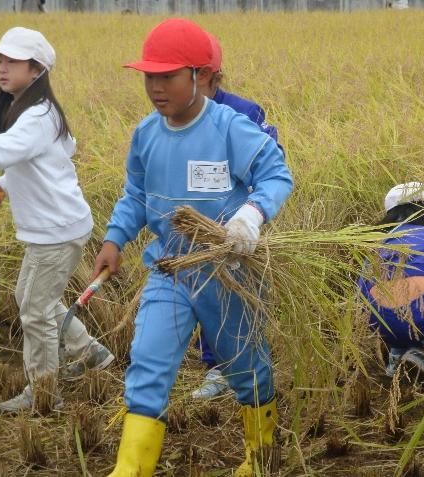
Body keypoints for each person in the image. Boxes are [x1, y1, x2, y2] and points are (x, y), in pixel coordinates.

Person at [91, 19, 293, 476]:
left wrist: (250, 217)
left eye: (168, 76)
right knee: (148, 364)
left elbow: (276, 174)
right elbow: (137, 195)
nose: (156, 87)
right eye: (150, 76)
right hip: (170, 269)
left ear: (199, 76)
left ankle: (259, 458)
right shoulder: (146, 134)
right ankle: (130, 470)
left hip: (226, 273)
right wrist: (114, 238)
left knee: (246, 369)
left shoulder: (229, 128)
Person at [0, 27, 114, 412]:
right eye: (0, 60)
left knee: (35, 312)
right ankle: (88, 352)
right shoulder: (34, 112)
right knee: (33, 297)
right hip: (57, 228)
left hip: (55, 233)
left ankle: (43, 395)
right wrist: (5, 183)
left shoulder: (36, 115)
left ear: (36, 69)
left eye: (12, 61)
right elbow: (48, 158)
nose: (2, 68)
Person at [192, 31, 284, 400]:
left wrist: (250, 214)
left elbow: (270, 164)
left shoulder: (243, 112)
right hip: (197, 225)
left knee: (241, 297)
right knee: (205, 295)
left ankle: (246, 369)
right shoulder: (173, 116)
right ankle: (216, 368)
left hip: (238, 224)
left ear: (214, 76)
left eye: (198, 74)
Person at [358, 183, 424, 378]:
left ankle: (397, 352)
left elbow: (362, 288)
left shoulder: (379, 240)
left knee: (396, 303)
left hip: (377, 321)